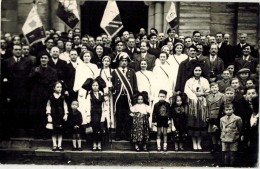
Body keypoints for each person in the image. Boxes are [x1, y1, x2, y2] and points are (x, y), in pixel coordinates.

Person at [111, 52, 138, 141]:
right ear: (119, 62)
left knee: (128, 116)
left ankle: (127, 134)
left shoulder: (132, 71)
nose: (124, 62)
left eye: (126, 61)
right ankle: (118, 134)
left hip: (128, 97)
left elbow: (135, 86)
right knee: (119, 116)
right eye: (122, 61)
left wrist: (134, 96)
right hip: (119, 97)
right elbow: (111, 84)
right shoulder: (115, 72)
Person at [184, 64, 210, 151]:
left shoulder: (205, 81)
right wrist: (194, 95)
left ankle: (199, 143)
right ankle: (194, 142)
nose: (197, 72)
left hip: (202, 104)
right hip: (192, 104)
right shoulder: (189, 81)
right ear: (193, 71)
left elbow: (208, 92)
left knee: (201, 122)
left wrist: (201, 94)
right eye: (196, 70)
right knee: (193, 122)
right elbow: (187, 92)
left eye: (199, 70)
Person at [73, 51, 99, 123]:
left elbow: (96, 78)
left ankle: (91, 124)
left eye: (88, 56)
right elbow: (77, 78)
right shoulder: (79, 66)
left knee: (91, 106)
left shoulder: (94, 66)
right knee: (82, 106)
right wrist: (78, 89)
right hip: (82, 89)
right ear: (82, 57)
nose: (86, 58)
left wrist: (95, 87)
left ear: (90, 57)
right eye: (85, 56)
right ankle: (83, 123)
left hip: (92, 88)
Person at [82, 76, 106, 151]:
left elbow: (104, 105)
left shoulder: (101, 94)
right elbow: (87, 105)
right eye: (93, 85)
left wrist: (104, 114)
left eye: (96, 85)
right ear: (91, 86)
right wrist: (87, 115)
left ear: (99, 86)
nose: (95, 87)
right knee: (94, 128)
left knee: (100, 128)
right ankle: (94, 143)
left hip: (100, 113)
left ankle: (99, 143)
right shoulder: (89, 95)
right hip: (92, 113)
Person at [46, 81, 69, 151]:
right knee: (54, 131)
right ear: (54, 88)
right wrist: (49, 115)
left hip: (60, 115)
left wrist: (66, 114)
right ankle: (54, 145)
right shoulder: (51, 96)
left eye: (61, 87)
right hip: (53, 115)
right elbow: (48, 105)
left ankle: (59, 145)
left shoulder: (62, 96)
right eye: (58, 87)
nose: (59, 88)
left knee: (60, 131)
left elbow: (65, 105)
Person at [220, 103, 243, 167]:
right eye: (226, 110)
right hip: (224, 138)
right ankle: (226, 166)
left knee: (233, 153)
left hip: (233, 138)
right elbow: (221, 128)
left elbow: (239, 128)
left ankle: (232, 166)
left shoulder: (237, 118)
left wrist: (236, 135)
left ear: (233, 110)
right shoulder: (222, 119)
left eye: (230, 109)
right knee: (225, 153)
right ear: (224, 111)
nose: (228, 111)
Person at [206, 82, 225, 153]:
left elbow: (223, 106)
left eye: (216, 87)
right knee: (212, 132)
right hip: (211, 116)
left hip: (219, 116)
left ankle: (221, 146)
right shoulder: (208, 97)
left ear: (218, 88)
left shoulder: (222, 96)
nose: (214, 89)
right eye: (212, 87)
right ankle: (214, 146)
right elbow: (206, 108)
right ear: (210, 89)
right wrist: (207, 116)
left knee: (219, 131)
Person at [99, 55, 115, 129]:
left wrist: (111, 87)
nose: (106, 62)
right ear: (102, 62)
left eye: (108, 61)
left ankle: (110, 124)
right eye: (105, 61)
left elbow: (114, 82)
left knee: (110, 106)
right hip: (102, 91)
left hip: (109, 92)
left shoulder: (112, 71)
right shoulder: (99, 71)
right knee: (103, 107)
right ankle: (103, 124)